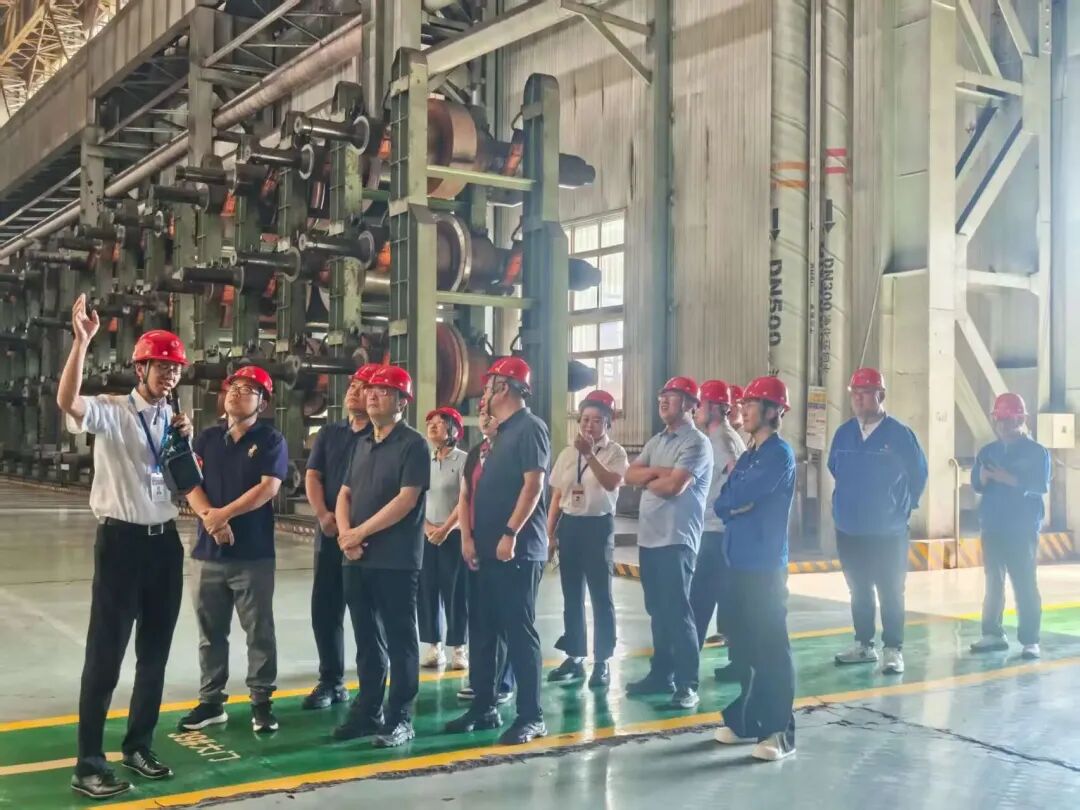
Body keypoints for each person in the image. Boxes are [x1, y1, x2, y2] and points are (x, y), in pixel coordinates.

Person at [58, 295, 192, 799]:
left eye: (175, 369)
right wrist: (82, 342)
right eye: (161, 367)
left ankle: (138, 745)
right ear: (140, 368)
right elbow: (68, 402)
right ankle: (88, 764)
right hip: (121, 544)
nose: (169, 375)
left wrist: (185, 444)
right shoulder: (113, 411)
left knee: (154, 656)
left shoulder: (173, 418)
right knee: (106, 656)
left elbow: (177, 479)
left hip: (165, 546)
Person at [178, 366, 289, 734]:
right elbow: (190, 483)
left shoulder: (270, 440)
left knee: (259, 631)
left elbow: (268, 488)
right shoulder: (207, 439)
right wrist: (211, 520)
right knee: (210, 633)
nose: (237, 393)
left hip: (253, 555)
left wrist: (222, 515)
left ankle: (261, 702)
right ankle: (211, 701)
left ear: (263, 403)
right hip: (207, 554)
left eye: (248, 390)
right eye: (234, 387)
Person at [446, 357, 549, 745]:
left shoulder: (530, 428)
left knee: (519, 633)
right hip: (486, 552)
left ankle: (531, 716)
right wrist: (470, 539)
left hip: (517, 551)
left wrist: (510, 533)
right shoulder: (497, 437)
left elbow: (533, 486)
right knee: (484, 631)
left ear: (503, 388)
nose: (484, 394)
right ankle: (484, 706)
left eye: (488, 387)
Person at [333, 365, 429, 748]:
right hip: (355, 559)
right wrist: (346, 535)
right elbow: (344, 494)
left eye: (385, 391)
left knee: (400, 639)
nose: (372, 395)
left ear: (402, 402)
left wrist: (360, 533)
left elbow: (406, 500)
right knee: (367, 640)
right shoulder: (361, 444)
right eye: (371, 389)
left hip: (395, 560)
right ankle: (368, 711)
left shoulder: (414, 444)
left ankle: (400, 716)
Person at [713, 375, 797, 762]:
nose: (743, 410)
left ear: (773, 410)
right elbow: (723, 501)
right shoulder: (749, 456)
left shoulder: (779, 455)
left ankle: (779, 730)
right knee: (745, 648)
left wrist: (737, 502)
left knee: (771, 650)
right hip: (738, 562)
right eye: (744, 403)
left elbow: (743, 493)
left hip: (764, 566)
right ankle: (747, 721)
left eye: (751, 404)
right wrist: (736, 505)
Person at [828, 367, 927, 674]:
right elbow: (834, 467)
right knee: (858, 589)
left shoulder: (899, 435)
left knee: (890, 590)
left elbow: (918, 474)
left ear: (880, 395)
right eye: (854, 394)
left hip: (888, 530)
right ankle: (864, 645)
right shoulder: (844, 433)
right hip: (849, 528)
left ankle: (893, 649)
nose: (858, 399)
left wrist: (902, 507)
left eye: (865, 393)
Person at [624, 376, 713, 709]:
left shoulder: (697, 443)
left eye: (672, 396)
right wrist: (659, 473)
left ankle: (687, 683)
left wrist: (651, 476)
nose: (663, 400)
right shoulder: (657, 440)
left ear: (690, 404)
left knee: (678, 613)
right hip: (649, 539)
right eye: (662, 395)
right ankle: (661, 675)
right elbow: (628, 475)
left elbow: (674, 486)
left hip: (677, 539)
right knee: (657, 612)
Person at [301, 363, 380, 710]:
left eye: (363, 386)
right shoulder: (330, 434)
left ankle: (372, 688)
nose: (353, 391)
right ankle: (331, 681)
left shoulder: (381, 437)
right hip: (331, 535)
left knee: (368, 616)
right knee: (326, 610)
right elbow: (313, 476)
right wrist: (322, 514)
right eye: (352, 385)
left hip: (367, 541)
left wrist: (359, 530)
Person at [547, 390, 629, 689]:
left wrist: (590, 455)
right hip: (570, 526)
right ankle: (575, 655)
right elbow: (558, 494)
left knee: (600, 596)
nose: (589, 425)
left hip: (598, 527)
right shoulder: (567, 454)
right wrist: (550, 533)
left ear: (608, 423)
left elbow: (611, 483)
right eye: (584, 419)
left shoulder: (616, 453)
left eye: (596, 420)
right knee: (571, 595)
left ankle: (603, 660)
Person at [970, 393, 1050, 660]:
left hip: (1022, 528)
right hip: (992, 526)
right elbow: (977, 484)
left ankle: (1030, 640)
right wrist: (983, 477)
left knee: (1024, 582)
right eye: (1000, 420)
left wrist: (1009, 479)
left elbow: (1040, 485)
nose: (1003, 425)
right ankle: (992, 633)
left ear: (1020, 419)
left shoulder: (1037, 453)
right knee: (993, 582)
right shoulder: (987, 452)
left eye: (1008, 419)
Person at [452, 402, 515, 705]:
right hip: (478, 541)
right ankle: (481, 681)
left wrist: (509, 535)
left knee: (504, 616)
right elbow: (465, 497)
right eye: (482, 414)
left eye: (492, 414)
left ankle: (504, 681)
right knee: (479, 616)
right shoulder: (476, 453)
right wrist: (466, 538)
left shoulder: (513, 449)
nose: (486, 419)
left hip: (504, 543)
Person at [687, 380, 746, 684]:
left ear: (716, 408)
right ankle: (737, 663)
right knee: (726, 599)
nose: (696, 410)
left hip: (716, 530)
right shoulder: (719, 436)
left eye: (701, 404)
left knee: (700, 599)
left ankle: (686, 664)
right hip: (716, 528)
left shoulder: (721, 438)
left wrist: (727, 507)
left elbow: (737, 475)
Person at [419, 406, 469, 671]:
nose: (433, 426)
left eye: (440, 423)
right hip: (426, 535)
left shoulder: (463, 460)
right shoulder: (423, 460)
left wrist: (446, 529)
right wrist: (427, 527)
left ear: (453, 431)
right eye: (431, 422)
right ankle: (433, 647)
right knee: (427, 590)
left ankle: (459, 649)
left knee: (455, 592)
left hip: (454, 535)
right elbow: (416, 497)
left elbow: (465, 500)